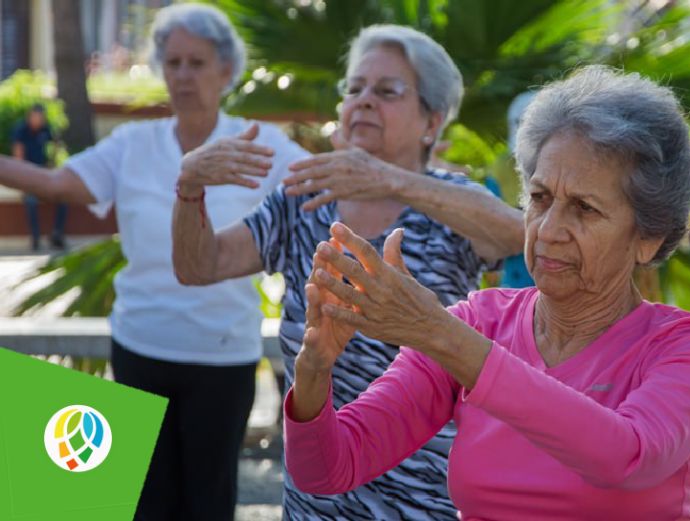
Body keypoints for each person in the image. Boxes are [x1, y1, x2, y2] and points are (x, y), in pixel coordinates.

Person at [285, 66, 690, 520]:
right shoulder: (477, 323)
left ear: (649, 237)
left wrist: (436, 332)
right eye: (540, 198)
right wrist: (313, 371)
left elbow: (628, 458)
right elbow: (328, 470)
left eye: (584, 208)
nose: (549, 229)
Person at [173, 24, 524, 520]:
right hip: (316, 494)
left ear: (432, 121)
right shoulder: (305, 196)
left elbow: (523, 235)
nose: (362, 101)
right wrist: (189, 187)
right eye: (354, 89)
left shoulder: (452, 203)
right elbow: (198, 265)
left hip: (423, 495)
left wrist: (392, 179)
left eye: (386, 91)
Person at [0, 4, 309, 520]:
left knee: (208, 504)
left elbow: (319, 185)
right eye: (173, 63)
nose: (183, 75)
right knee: (146, 504)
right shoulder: (133, 144)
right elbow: (55, 183)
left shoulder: (259, 144)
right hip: (141, 347)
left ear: (226, 70)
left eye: (197, 62)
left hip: (222, 357)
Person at [11, 104, 67, 250]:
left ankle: (57, 234)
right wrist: (22, 181)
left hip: (44, 175)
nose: (39, 120)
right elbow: (18, 156)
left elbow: (56, 145)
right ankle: (35, 238)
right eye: (36, 117)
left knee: (63, 200)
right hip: (28, 176)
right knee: (30, 202)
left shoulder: (46, 129)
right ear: (30, 116)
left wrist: (52, 164)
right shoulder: (21, 130)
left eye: (41, 117)